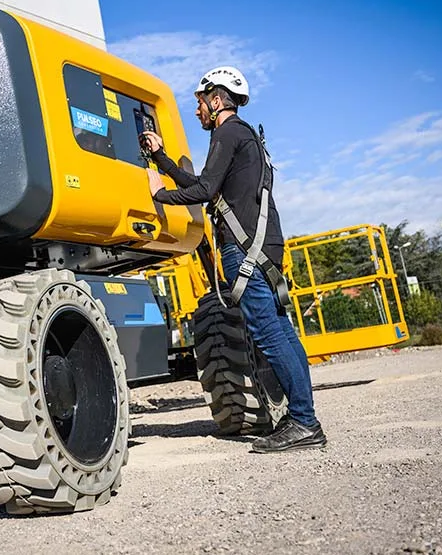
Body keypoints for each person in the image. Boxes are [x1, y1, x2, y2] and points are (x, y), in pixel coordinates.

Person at [140, 65, 326, 453]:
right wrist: (162, 160)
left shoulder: (226, 133)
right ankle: (304, 418)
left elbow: (205, 190)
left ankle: (305, 423)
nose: (197, 111)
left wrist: (159, 197)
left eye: (201, 102)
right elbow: (211, 186)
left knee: (271, 336)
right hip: (263, 245)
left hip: (245, 248)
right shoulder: (245, 136)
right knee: (283, 333)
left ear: (217, 99)